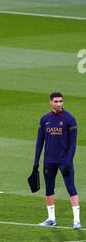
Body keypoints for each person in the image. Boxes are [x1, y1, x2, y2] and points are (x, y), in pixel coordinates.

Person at [32, 92, 81, 229]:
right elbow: (39, 142)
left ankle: (76, 220)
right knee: (49, 189)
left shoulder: (70, 119)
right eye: (56, 101)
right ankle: (51, 218)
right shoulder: (44, 119)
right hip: (49, 161)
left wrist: (69, 162)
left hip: (64, 161)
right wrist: (36, 162)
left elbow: (73, 144)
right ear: (50, 102)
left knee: (71, 188)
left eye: (61, 101)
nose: (59, 104)